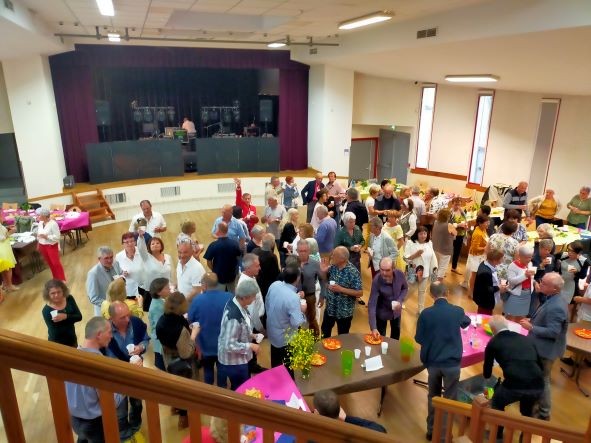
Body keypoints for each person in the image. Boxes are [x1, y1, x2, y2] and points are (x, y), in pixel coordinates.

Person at [65, 317, 138, 442]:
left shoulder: (70, 358)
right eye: (109, 332)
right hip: (95, 423)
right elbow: (112, 402)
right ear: (99, 334)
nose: (111, 336)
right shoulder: (98, 366)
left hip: (75, 419)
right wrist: (129, 379)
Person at [415, 283, 470, 441]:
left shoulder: (426, 314)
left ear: (431, 295)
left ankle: (431, 430)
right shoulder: (457, 311)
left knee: (433, 397)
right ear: (447, 292)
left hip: (433, 363)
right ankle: (444, 436)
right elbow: (466, 322)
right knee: (449, 401)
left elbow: (419, 338)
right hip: (452, 364)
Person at [483, 315, 544, 436]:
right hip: (537, 383)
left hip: (514, 383)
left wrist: (487, 377)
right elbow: (540, 364)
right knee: (527, 412)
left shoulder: (493, 343)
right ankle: (525, 437)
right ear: (507, 326)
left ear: (492, 330)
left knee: (497, 402)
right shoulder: (525, 339)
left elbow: (487, 371)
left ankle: (497, 433)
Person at [519, 272, 568, 421]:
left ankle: (544, 412)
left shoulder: (557, 306)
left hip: (546, 351)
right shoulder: (553, 298)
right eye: (542, 280)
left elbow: (553, 331)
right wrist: (533, 321)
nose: (541, 283)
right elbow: (544, 317)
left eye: (544, 283)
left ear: (554, 289)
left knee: (543, 380)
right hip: (541, 347)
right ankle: (533, 401)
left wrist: (531, 327)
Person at [155, 291, 198, 430]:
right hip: (181, 360)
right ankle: (183, 417)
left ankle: (174, 407)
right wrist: (194, 335)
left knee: (173, 385)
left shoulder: (162, 320)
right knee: (184, 389)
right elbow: (186, 353)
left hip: (168, 357)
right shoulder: (180, 327)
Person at [105, 302, 149, 437]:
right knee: (119, 409)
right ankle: (124, 435)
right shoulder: (104, 330)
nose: (127, 320)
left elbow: (146, 339)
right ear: (111, 318)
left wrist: (140, 347)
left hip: (135, 372)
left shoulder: (135, 322)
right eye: (122, 317)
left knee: (137, 404)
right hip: (115, 376)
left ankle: (135, 429)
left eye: (128, 315)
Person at [189, 272, 233, 386]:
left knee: (208, 369)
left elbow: (191, 319)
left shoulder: (197, 300)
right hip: (224, 343)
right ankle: (222, 390)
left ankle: (209, 392)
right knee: (222, 369)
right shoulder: (229, 297)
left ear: (204, 285)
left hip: (205, 344)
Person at [217, 279, 260, 390]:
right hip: (234, 362)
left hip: (240, 358)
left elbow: (242, 328)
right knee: (240, 388)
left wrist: (251, 335)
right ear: (245, 297)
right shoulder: (234, 318)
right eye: (253, 296)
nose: (254, 299)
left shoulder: (235, 302)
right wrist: (250, 346)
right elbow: (229, 345)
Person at [265, 266, 307, 373]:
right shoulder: (293, 298)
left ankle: (275, 378)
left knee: (275, 360)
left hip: (272, 329)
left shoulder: (275, 285)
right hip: (285, 337)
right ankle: (288, 384)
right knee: (288, 364)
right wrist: (302, 310)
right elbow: (296, 322)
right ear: (297, 279)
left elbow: (268, 303)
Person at [320, 246, 363, 337]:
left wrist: (341, 289)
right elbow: (325, 281)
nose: (332, 257)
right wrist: (323, 272)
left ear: (342, 259)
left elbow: (360, 293)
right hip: (330, 309)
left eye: (334, 255)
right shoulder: (333, 267)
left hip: (344, 313)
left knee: (343, 337)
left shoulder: (353, 272)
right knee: (325, 333)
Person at [313, 389, 387, 433]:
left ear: (316, 412)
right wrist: (346, 418)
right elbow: (380, 429)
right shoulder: (351, 432)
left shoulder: (315, 434)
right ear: (340, 409)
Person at [368, 257, 408, 340]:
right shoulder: (376, 281)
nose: (384, 273)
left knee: (395, 336)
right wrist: (373, 328)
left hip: (396, 312)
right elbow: (372, 304)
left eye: (387, 270)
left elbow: (405, 288)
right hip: (382, 313)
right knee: (381, 338)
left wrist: (399, 300)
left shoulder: (400, 274)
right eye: (382, 269)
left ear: (393, 268)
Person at [404, 226, 438, 314]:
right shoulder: (410, 243)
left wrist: (434, 274)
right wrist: (416, 255)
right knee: (410, 290)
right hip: (413, 271)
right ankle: (401, 301)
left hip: (425, 272)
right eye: (421, 233)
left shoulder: (429, 243)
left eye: (425, 233)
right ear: (417, 234)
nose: (423, 236)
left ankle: (421, 309)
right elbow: (405, 258)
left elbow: (433, 259)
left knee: (422, 291)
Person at [295, 240, 325, 337]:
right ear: (297, 250)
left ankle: (316, 341)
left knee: (312, 320)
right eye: (301, 251)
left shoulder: (315, 264)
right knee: (295, 320)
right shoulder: (292, 263)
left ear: (309, 251)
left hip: (310, 297)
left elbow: (323, 280)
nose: (303, 253)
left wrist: (322, 296)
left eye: (305, 251)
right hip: (295, 297)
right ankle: (298, 342)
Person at [136, 232, 172, 311]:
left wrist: (171, 285)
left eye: (157, 243)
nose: (155, 244)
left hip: (166, 289)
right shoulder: (146, 257)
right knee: (155, 312)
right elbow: (141, 248)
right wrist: (141, 237)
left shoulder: (167, 257)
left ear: (161, 245)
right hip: (152, 292)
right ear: (149, 247)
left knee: (168, 311)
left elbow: (170, 273)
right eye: (152, 244)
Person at [236, 254, 266, 350]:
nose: (260, 268)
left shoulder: (250, 277)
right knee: (253, 350)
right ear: (248, 268)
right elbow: (252, 313)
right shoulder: (246, 285)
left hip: (253, 322)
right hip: (253, 325)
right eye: (257, 266)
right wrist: (261, 329)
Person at [41, 279, 82, 347]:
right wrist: (70, 318)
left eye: (59, 292)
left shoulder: (69, 298)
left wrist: (65, 316)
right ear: (48, 294)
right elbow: (55, 333)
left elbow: (79, 317)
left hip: (72, 339)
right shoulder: (46, 311)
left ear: (63, 291)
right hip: (57, 344)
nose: (56, 295)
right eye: (53, 293)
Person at [204, 222, 241, 293]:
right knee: (232, 296)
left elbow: (209, 261)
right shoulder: (235, 244)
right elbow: (238, 257)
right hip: (232, 276)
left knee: (219, 296)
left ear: (218, 231)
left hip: (218, 277)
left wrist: (214, 270)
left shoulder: (213, 245)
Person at [86, 246, 122, 316]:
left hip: (119, 307)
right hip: (104, 312)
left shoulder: (116, 263)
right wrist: (111, 305)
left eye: (111, 257)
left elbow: (120, 274)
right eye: (106, 258)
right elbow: (93, 298)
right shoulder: (93, 274)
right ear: (99, 259)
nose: (110, 260)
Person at [472, 248, 508, 315]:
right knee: (485, 316)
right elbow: (487, 289)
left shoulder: (484, 263)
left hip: (483, 299)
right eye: (501, 259)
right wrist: (498, 288)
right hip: (485, 301)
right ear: (495, 260)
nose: (502, 260)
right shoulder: (486, 272)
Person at [506, 245, 536, 321]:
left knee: (522, 318)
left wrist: (535, 283)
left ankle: (518, 332)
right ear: (520, 256)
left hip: (527, 294)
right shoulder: (512, 266)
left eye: (530, 257)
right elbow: (511, 281)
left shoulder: (530, 264)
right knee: (510, 317)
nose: (529, 259)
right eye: (527, 257)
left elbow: (531, 278)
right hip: (516, 294)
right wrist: (525, 275)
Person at [35, 207, 66, 281]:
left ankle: (62, 280)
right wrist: (38, 244)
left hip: (51, 246)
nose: (37, 217)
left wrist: (47, 237)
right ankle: (56, 279)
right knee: (50, 264)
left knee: (56, 263)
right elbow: (39, 234)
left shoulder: (53, 224)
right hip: (42, 246)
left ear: (45, 216)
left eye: (39, 215)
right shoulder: (40, 223)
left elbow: (57, 237)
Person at [148, 277, 171, 371]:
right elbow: (160, 327)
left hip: (161, 340)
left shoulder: (161, 301)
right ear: (159, 292)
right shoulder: (157, 307)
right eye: (167, 287)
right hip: (161, 341)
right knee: (162, 364)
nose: (169, 289)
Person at [461, 214, 489, 290]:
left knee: (472, 271)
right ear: (480, 223)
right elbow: (475, 248)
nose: (488, 224)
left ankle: (468, 285)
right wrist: (485, 248)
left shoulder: (483, 229)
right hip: (476, 256)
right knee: (474, 274)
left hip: (480, 256)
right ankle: (471, 290)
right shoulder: (478, 234)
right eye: (486, 223)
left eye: (488, 222)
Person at [116, 232, 146, 301]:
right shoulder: (118, 257)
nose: (129, 244)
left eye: (132, 241)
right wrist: (122, 275)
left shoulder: (142, 252)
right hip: (129, 291)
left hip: (144, 288)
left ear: (135, 242)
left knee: (146, 309)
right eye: (126, 242)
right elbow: (116, 275)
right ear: (122, 244)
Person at [252, 233, 280, 300]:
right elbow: (276, 273)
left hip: (255, 281)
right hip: (268, 285)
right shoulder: (272, 257)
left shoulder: (254, 251)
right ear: (272, 244)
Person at [431, 208, 456, 280]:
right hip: (445, 249)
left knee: (436, 265)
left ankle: (433, 281)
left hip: (435, 247)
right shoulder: (449, 225)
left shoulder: (435, 222)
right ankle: (437, 285)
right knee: (442, 268)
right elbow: (455, 233)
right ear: (447, 217)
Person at [448, 197, 468, 274]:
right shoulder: (450, 212)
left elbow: (466, 220)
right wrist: (459, 225)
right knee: (449, 252)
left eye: (459, 204)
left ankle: (454, 267)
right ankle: (443, 270)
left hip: (460, 235)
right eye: (456, 204)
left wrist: (466, 225)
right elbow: (448, 225)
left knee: (457, 252)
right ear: (452, 204)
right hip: (452, 235)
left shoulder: (462, 211)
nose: (458, 206)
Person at [0, 212, 18, 294]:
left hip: (4, 246)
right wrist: (10, 233)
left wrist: (7, 227)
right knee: (8, 267)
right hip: (2, 248)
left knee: (4, 267)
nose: (2, 216)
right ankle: (9, 286)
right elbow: (1, 238)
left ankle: (5, 284)